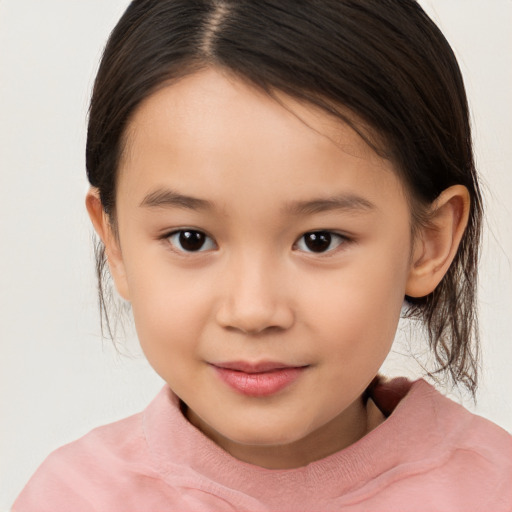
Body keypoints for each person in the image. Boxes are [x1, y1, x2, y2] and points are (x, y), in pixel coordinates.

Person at [12, 0, 512, 510]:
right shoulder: (72, 498)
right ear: (114, 241)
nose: (252, 311)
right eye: (190, 238)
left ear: (428, 242)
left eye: (319, 240)